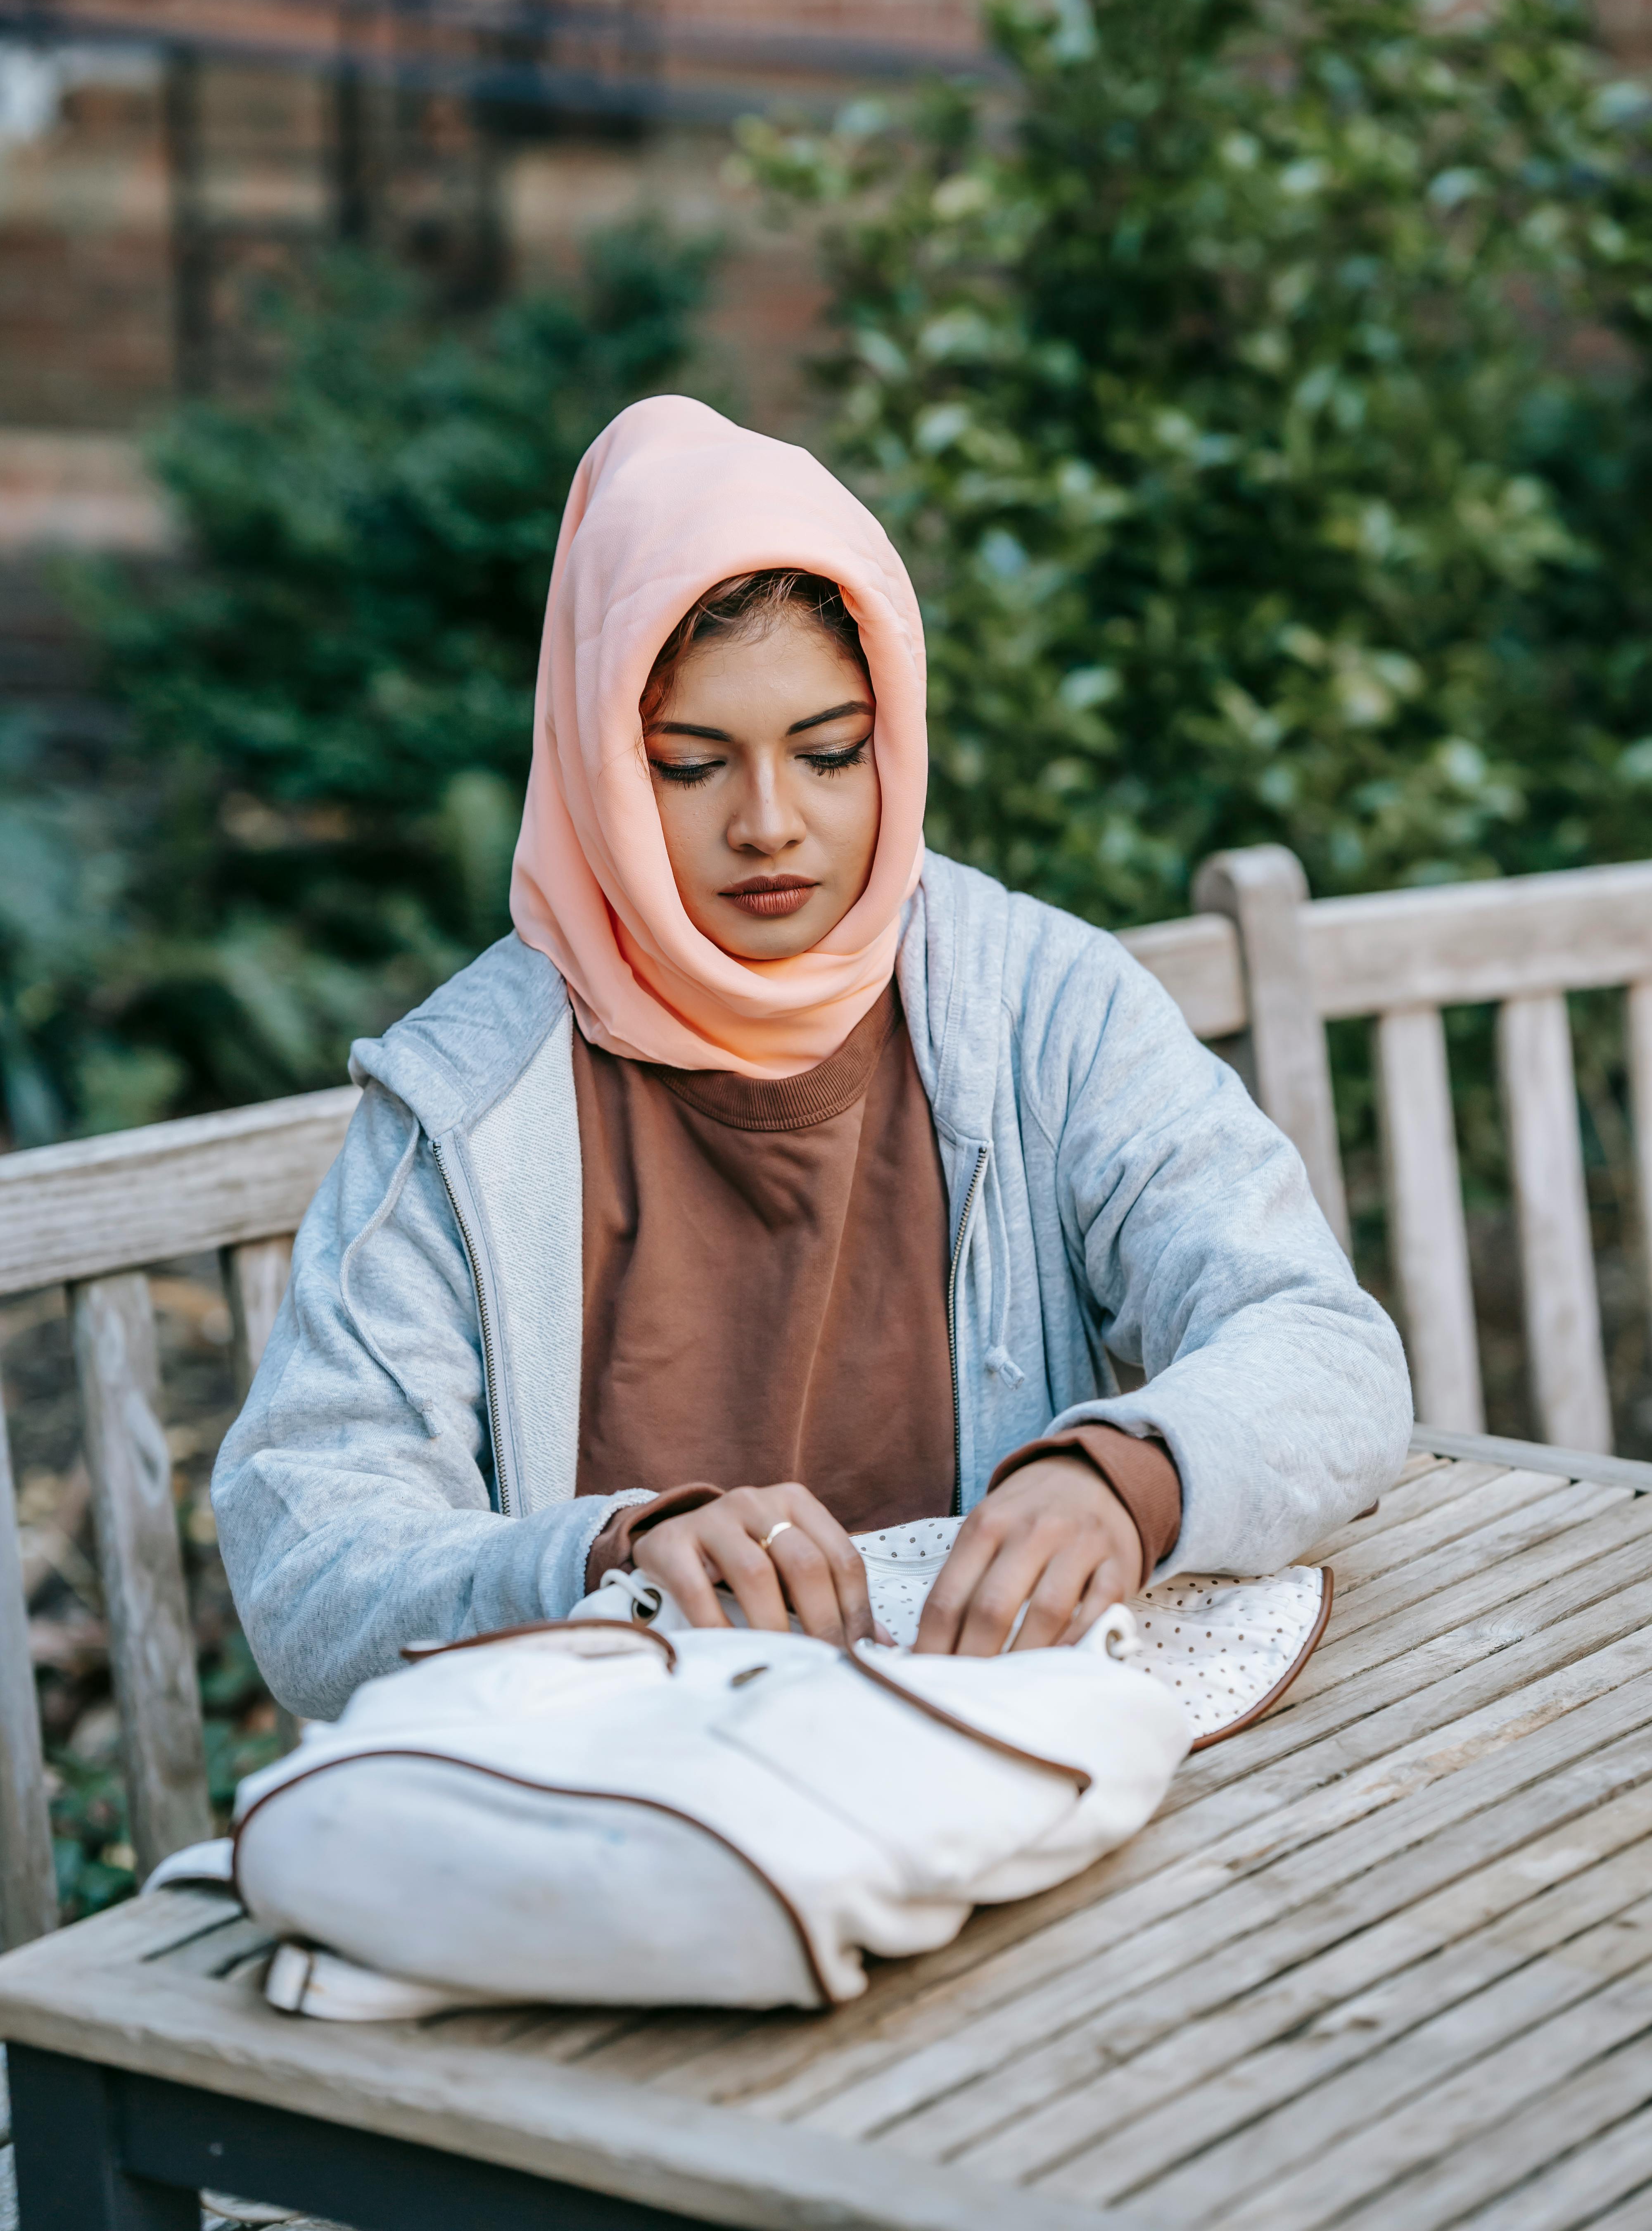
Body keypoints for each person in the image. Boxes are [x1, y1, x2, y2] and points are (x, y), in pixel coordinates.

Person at [214, 397, 1411, 1720]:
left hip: (994, 1768)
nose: (770, 825)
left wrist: (1126, 1477)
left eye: (830, 754)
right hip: (635, 1820)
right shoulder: (465, 1109)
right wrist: (609, 1555)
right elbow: (308, 1559)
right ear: (599, 766)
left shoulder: (1044, 1011)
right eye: (689, 765)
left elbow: (1319, 1341)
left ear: (892, 738)